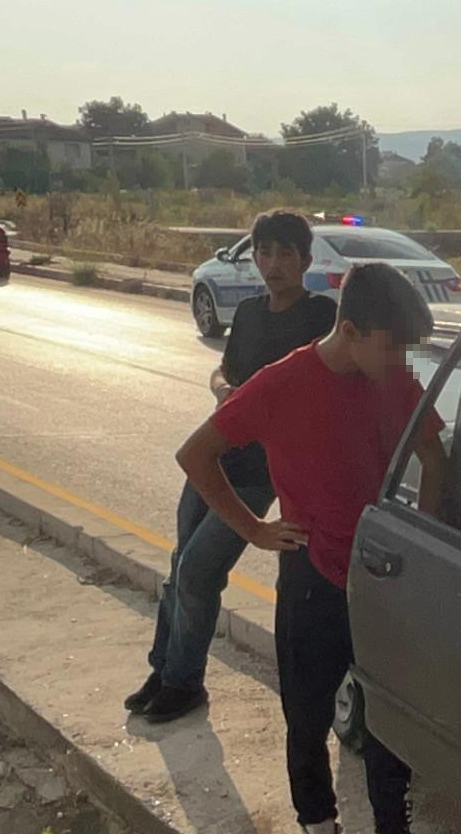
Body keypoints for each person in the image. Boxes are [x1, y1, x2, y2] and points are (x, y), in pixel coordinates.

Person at [170, 260, 457, 834]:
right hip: (311, 577)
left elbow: (435, 457)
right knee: (307, 715)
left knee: (386, 717)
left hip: (381, 577)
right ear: (350, 331)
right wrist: (255, 529)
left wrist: (423, 537)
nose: (400, 362)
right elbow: (196, 455)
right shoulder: (283, 383)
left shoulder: (393, 377)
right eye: (392, 348)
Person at [127, 210, 337, 725]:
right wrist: (221, 386)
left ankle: (184, 682)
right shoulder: (247, 313)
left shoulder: (320, 317)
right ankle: (165, 669)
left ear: (306, 260)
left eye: (285, 253)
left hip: (260, 471)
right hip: (214, 455)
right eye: (264, 252)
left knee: (200, 570)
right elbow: (227, 368)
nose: (273, 264)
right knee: (181, 567)